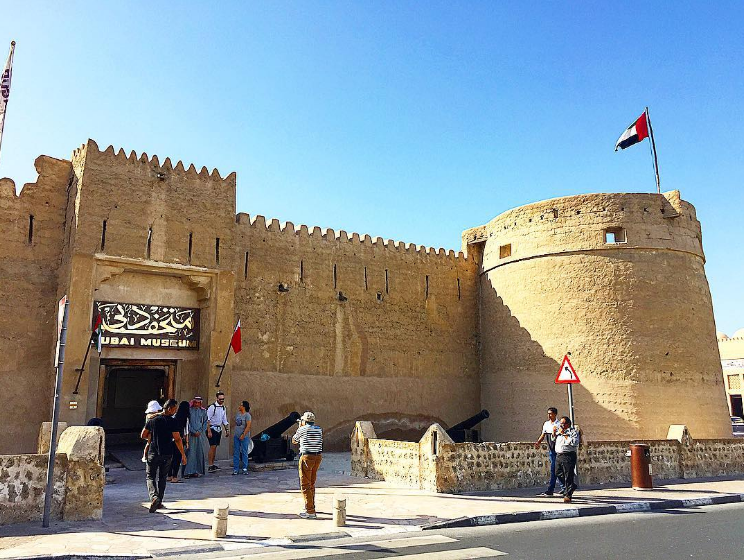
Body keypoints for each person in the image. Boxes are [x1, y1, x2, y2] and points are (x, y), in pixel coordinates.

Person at [140, 399, 186, 513]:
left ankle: (154, 497)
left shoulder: (153, 420)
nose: (175, 411)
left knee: (150, 476)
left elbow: (143, 435)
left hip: (153, 453)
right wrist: (183, 454)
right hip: (167, 453)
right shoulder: (173, 422)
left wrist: (152, 437)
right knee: (162, 477)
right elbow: (177, 439)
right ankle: (159, 501)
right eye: (174, 409)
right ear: (170, 408)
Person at [291, 411, 323, 519]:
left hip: (307, 457)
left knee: (305, 484)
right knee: (311, 483)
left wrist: (300, 427)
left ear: (304, 421)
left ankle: (310, 511)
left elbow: (294, 441)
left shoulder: (302, 429)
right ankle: (310, 505)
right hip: (317, 457)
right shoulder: (319, 429)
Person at [533, 407, 563, 496]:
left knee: (556, 469)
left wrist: (555, 432)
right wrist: (538, 442)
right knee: (555, 469)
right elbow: (543, 434)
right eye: (548, 413)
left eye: (550, 413)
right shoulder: (546, 424)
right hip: (551, 450)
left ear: (555, 414)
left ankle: (552, 489)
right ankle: (563, 487)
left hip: (558, 449)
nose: (549, 415)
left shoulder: (558, 424)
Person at [555, 415, 580, 503]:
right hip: (559, 455)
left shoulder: (573, 432)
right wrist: (554, 433)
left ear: (568, 424)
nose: (561, 425)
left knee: (568, 475)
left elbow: (574, 443)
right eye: (560, 423)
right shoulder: (559, 431)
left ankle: (568, 495)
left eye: (563, 424)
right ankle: (571, 486)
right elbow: (554, 439)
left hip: (568, 455)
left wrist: (564, 434)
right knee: (557, 473)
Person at [184, 397, 207, 478]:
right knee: (190, 453)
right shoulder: (189, 411)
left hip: (200, 436)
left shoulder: (203, 411)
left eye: (198, 403)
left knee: (198, 453)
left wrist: (200, 431)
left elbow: (205, 422)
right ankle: (188, 472)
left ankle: (196, 471)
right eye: (195, 402)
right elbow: (187, 423)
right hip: (190, 435)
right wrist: (193, 431)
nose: (197, 404)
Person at [206, 391, 229, 472]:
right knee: (212, 446)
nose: (222, 401)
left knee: (215, 446)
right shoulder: (212, 407)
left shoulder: (223, 408)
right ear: (217, 398)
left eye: (223, 399)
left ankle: (212, 463)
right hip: (212, 428)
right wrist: (209, 431)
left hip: (218, 429)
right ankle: (210, 464)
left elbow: (224, 419)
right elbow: (207, 419)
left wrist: (227, 429)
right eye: (220, 399)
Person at [168, 401, 190, 483]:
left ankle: (169, 475)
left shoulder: (173, 416)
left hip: (171, 439)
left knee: (171, 458)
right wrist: (187, 443)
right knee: (177, 459)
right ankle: (174, 477)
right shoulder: (185, 418)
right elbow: (186, 431)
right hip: (180, 439)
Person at [233, 401, 252, 475]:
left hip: (244, 437)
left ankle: (244, 468)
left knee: (244, 452)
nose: (239, 406)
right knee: (236, 452)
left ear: (244, 407)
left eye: (241, 405)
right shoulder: (238, 414)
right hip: (236, 436)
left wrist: (243, 435)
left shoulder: (247, 415)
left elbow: (248, 426)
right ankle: (235, 468)